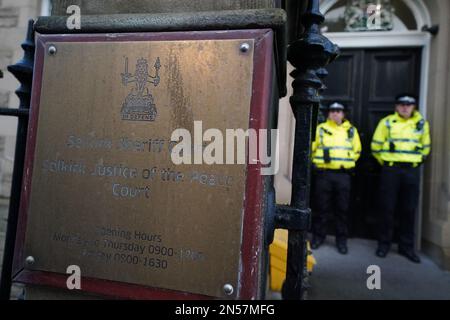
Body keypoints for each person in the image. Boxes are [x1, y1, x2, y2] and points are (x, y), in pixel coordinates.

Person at [371, 93, 431, 263]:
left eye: (409, 104)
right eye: (401, 104)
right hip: (391, 170)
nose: (405, 107)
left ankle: (407, 248)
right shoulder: (387, 122)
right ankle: (384, 245)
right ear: (396, 106)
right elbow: (376, 146)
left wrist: (416, 161)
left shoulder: (421, 123)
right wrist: (388, 162)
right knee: (387, 208)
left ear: (414, 106)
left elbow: (426, 147)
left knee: (409, 209)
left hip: (411, 171)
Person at [310, 102, 362, 254]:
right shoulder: (320, 129)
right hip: (324, 175)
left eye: (338, 111)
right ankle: (318, 237)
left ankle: (341, 241)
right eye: (332, 110)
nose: (335, 113)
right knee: (321, 208)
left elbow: (357, 151)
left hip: (343, 175)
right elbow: (312, 150)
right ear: (328, 113)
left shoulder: (351, 131)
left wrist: (344, 160)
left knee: (342, 209)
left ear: (343, 114)